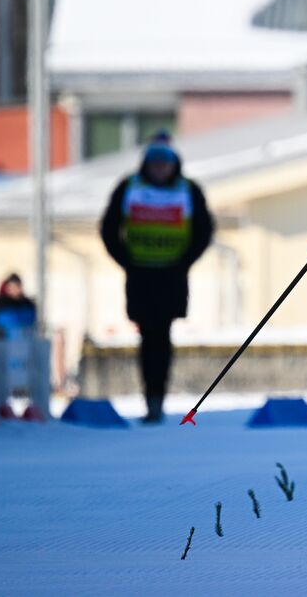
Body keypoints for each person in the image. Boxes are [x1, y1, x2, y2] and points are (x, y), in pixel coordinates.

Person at [99, 132, 214, 424]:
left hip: (172, 274)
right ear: (146, 165)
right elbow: (109, 228)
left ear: (174, 165)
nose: (160, 169)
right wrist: (126, 261)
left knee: (161, 336)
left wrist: (184, 262)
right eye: (155, 164)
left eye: (165, 164)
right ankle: (150, 398)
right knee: (148, 334)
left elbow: (203, 229)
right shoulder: (129, 187)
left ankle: (157, 398)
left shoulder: (188, 189)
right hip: (140, 273)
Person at [0, 273, 37, 338]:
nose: (14, 290)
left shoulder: (27, 305)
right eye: (12, 287)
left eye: (17, 286)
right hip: (3, 341)